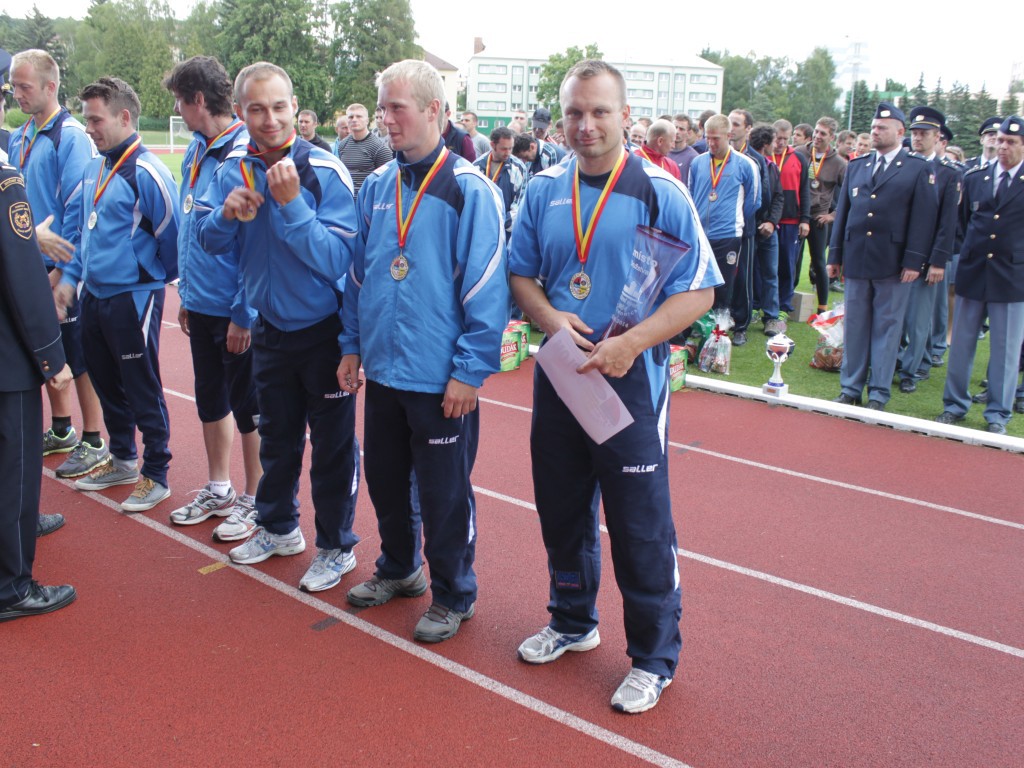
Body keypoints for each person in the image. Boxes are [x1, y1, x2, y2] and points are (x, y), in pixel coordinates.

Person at [509, 59, 721, 714]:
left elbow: (700, 292)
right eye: (575, 112)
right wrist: (547, 319)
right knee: (562, 508)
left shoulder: (661, 190)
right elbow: (521, 276)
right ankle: (573, 620)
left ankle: (653, 657)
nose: (586, 124)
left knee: (639, 524)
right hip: (563, 377)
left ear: (625, 116)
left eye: (600, 111)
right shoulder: (544, 189)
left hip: (629, 381)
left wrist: (633, 342)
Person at [339, 59, 508, 643]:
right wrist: (352, 346)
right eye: (381, 107)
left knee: (443, 495)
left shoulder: (470, 191)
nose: (385, 119)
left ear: (434, 111)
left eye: (396, 108)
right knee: (385, 481)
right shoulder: (378, 188)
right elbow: (358, 277)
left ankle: (455, 592)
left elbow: (487, 289)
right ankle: (400, 568)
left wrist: (469, 371)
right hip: (385, 369)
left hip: (441, 381)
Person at [194, 62, 361, 592]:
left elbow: (338, 259)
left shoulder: (323, 171)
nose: (269, 119)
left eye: (279, 107)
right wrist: (224, 216)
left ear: (295, 107)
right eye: (257, 109)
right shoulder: (231, 168)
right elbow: (207, 242)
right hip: (268, 329)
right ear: (240, 112)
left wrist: (292, 209)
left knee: (333, 449)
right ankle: (278, 527)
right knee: (277, 438)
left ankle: (336, 547)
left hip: (323, 332)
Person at [55, 77, 179, 512]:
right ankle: (123, 458)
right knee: (107, 382)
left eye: (95, 119)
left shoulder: (148, 172)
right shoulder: (95, 167)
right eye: (86, 118)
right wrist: (71, 279)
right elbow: (80, 236)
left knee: (141, 385)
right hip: (94, 296)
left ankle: (157, 473)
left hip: (134, 298)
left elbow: (172, 241)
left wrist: (145, 279)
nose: (89, 127)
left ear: (124, 117)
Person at [161, 55, 263, 540]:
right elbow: (190, 227)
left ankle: (256, 497)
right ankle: (219, 487)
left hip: (233, 310)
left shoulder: (243, 155)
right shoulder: (198, 150)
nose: (178, 112)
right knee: (210, 400)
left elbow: (252, 246)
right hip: (201, 300)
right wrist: (186, 290)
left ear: (198, 99)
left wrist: (243, 313)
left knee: (248, 406)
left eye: (180, 102)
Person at [7, 49, 108, 480]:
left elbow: (79, 207)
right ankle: (63, 428)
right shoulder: (19, 134)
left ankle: (95, 438)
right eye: (13, 86)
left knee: (77, 357)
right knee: (43, 351)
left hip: (60, 264)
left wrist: (62, 271)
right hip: (28, 261)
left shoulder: (69, 137)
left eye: (24, 86)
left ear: (51, 86)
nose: (17, 94)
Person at [0, 159, 77, 623]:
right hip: (7, 360)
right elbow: (23, 281)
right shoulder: (5, 181)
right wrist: (52, 356)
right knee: (14, 473)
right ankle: (11, 586)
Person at [827, 102, 938, 410]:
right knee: (856, 328)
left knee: (887, 330)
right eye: (874, 127)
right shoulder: (858, 165)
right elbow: (844, 214)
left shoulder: (917, 168)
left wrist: (914, 261)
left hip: (894, 262)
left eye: (882, 128)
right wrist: (835, 255)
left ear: (900, 132)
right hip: (858, 259)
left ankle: (878, 392)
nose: (876, 132)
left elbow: (923, 219)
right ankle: (851, 387)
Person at [936, 116, 1024, 434]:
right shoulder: (976, 178)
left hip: (1012, 277)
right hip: (974, 271)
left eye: (1011, 142)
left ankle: (998, 413)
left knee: (1005, 348)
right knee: (961, 343)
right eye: (1000, 140)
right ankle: (954, 405)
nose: (1002, 146)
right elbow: (962, 223)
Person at [896, 106, 960, 394]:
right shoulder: (904, 164)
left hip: (924, 259)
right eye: (915, 133)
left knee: (918, 320)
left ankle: (911, 370)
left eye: (924, 134)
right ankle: (897, 360)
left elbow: (947, 223)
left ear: (938, 137)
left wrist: (938, 261)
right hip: (896, 253)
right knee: (894, 315)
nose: (917, 138)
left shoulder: (947, 173)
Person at [689, 114, 759, 317]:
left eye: (715, 138)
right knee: (699, 283)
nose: (710, 143)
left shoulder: (746, 164)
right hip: (701, 234)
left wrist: (733, 220)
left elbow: (754, 201)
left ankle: (720, 330)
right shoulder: (697, 163)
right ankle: (698, 326)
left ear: (729, 135)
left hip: (728, 234)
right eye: (707, 137)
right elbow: (691, 196)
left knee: (723, 285)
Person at [727, 109, 768, 346]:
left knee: (743, 277)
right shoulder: (711, 155)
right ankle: (716, 323)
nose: (731, 128)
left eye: (736, 124)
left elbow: (762, 197)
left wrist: (741, 220)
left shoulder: (755, 159)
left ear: (748, 129)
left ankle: (741, 325)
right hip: (718, 231)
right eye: (729, 123)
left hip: (744, 228)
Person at [797, 117, 846, 310]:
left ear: (832, 137)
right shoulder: (800, 152)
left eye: (823, 133)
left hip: (819, 218)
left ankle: (822, 306)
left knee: (818, 262)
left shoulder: (839, 163)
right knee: (793, 261)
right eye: (816, 131)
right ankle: (786, 304)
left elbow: (851, 193)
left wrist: (833, 215)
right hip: (798, 215)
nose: (817, 136)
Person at [770, 118, 811, 314]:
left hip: (790, 220)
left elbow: (805, 190)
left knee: (787, 264)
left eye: (785, 139)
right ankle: (760, 303)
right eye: (778, 138)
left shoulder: (799, 158)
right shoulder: (765, 156)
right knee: (765, 266)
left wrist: (805, 219)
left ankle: (784, 305)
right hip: (768, 220)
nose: (781, 143)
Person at [750, 125, 785, 335]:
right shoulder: (747, 162)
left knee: (771, 274)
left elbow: (779, 197)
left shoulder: (772, 167)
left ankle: (771, 317)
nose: (777, 145)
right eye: (775, 140)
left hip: (769, 230)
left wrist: (771, 222)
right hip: (749, 229)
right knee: (745, 275)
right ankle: (747, 312)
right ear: (765, 144)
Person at [473, 126, 525, 238]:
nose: (508, 153)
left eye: (510, 148)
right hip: (481, 231)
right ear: (492, 145)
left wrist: (498, 224)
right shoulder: (477, 167)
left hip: (506, 233)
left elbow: (519, 204)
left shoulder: (518, 168)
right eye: (504, 149)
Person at [337, 102, 393, 196]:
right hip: (347, 203)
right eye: (351, 117)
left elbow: (387, 181)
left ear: (367, 120)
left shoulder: (379, 148)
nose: (354, 120)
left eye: (359, 116)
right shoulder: (342, 145)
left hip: (367, 203)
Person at [668, 114, 698, 186]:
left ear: (689, 133)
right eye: (675, 127)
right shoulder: (661, 152)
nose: (677, 131)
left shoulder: (694, 157)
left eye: (681, 129)